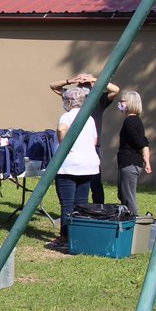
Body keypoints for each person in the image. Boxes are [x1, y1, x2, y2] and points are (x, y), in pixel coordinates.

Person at [51, 72, 119, 204]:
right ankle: (77, 208)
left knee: (95, 182)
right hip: (73, 146)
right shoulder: (73, 98)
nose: (82, 86)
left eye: (85, 84)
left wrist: (94, 80)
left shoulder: (98, 99)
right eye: (81, 83)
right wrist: (69, 80)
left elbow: (115, 90)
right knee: (72, 179)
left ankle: (98, 209)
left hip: (91, 145)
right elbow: (53, 86)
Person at [49, 87, 101, 252]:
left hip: (69, 166)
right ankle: (79, 235)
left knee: (67, 203)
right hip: (88, 166)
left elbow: (60, 129)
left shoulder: (67, 116)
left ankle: (65, 236)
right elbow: (94, 140)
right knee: (81, 203)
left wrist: (65, 146)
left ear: (69, 101)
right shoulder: (89, 118)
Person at [116, 90, 152, 216]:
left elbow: (140, 142)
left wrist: (147, 160)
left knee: (128, 197)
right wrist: (147, 161)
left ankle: (132, 221)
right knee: (123, 194)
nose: (120, 103)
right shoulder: (137, 121)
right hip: (131, 163)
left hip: (129, 163)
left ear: (130, 103)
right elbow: (144, 142)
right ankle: (127, 219)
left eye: (123, 101)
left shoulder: (129, 121)